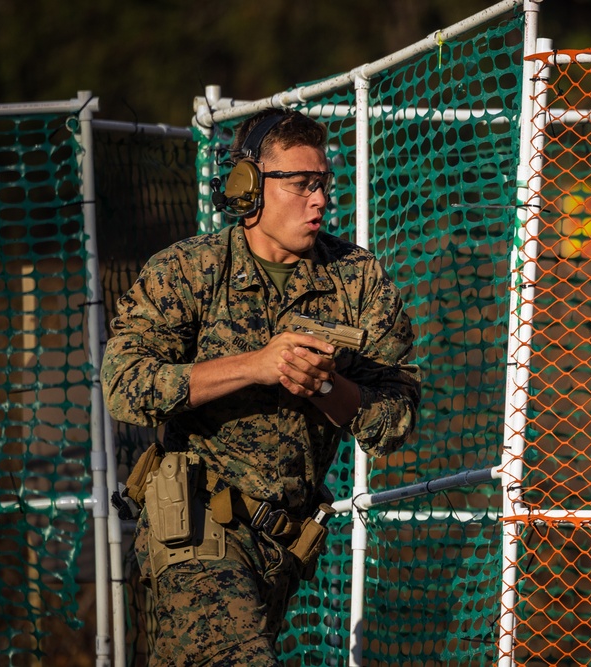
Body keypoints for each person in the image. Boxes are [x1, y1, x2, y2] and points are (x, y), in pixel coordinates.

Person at [100, 108, 421, 666]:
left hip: (284, 550)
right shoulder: (189, 271)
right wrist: (255, 365)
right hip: (193, 532)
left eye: (323, 184)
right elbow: (125, 385)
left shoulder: (357, 277)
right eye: (301, 184)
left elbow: (394, 419)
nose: (319, 199)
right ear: (248, 188)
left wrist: (326, 386)